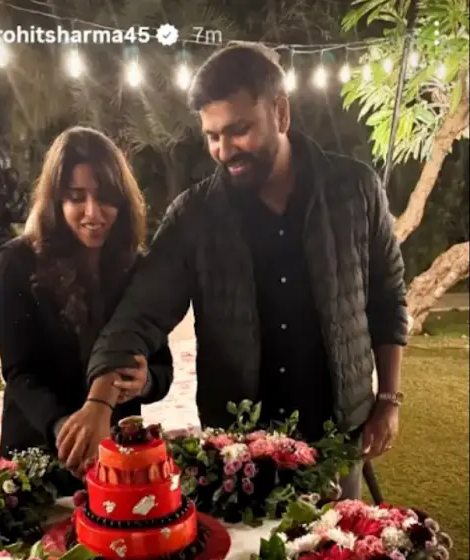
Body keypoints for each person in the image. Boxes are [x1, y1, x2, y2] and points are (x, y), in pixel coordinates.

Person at [57, 44, 408, 499]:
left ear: (280, 113)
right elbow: (139, 314)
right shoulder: (194, 215)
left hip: (338, 439)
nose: (224, 151)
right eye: (212, 136)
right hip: (238, 454)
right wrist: (98, 401)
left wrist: (389, 399)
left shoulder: (355, 190)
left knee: (340, 536)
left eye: (239, 130)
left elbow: (387, 299)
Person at [0, 126, 173, 477]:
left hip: (116, 458)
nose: (93, 213)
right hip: (37, 456)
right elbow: (19, 373)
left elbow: (162, 367)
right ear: (56, 201)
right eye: (76, 198)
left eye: (106, 198)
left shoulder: (136, 267)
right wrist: (68, 432)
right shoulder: (18, 263)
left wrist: (145, 381)